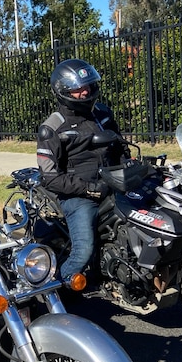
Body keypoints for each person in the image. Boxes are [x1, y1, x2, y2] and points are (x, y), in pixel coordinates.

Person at [36, 58, 127, 282]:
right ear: (63, 91)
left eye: (87, 87)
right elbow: (49, 178)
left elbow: (121, 147)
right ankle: (58, 288)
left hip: (113, 182)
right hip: (79, 195)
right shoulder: (52, 128)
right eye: (78, 89)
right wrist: (89, 189)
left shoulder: (103, 114)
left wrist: (132, 166)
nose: (85, 93)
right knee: (83, 250)